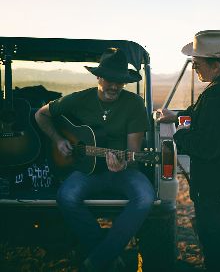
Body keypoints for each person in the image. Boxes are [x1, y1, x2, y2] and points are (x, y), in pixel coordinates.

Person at [34, 48, 154, 271]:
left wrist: (124, 163)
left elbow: (133, 152)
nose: (115, 86)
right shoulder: (80, 99)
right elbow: (40, 114)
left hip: (123, 171)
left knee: (146, 197)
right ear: (98, 77)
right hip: (87, 171)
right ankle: (109, 256)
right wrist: (59, 140)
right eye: (109, 79)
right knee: (66, 196)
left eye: (120, 81)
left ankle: (97, 261)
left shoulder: (134, 104)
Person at [157, 30, 220, 272]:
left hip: (215, 185)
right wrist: (180, 115)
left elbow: (206, 147)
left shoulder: (218, 94)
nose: (195, 69)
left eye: (197, 64)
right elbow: (208, 116)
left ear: (215, 65)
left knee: (215, 246)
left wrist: (176, 132)